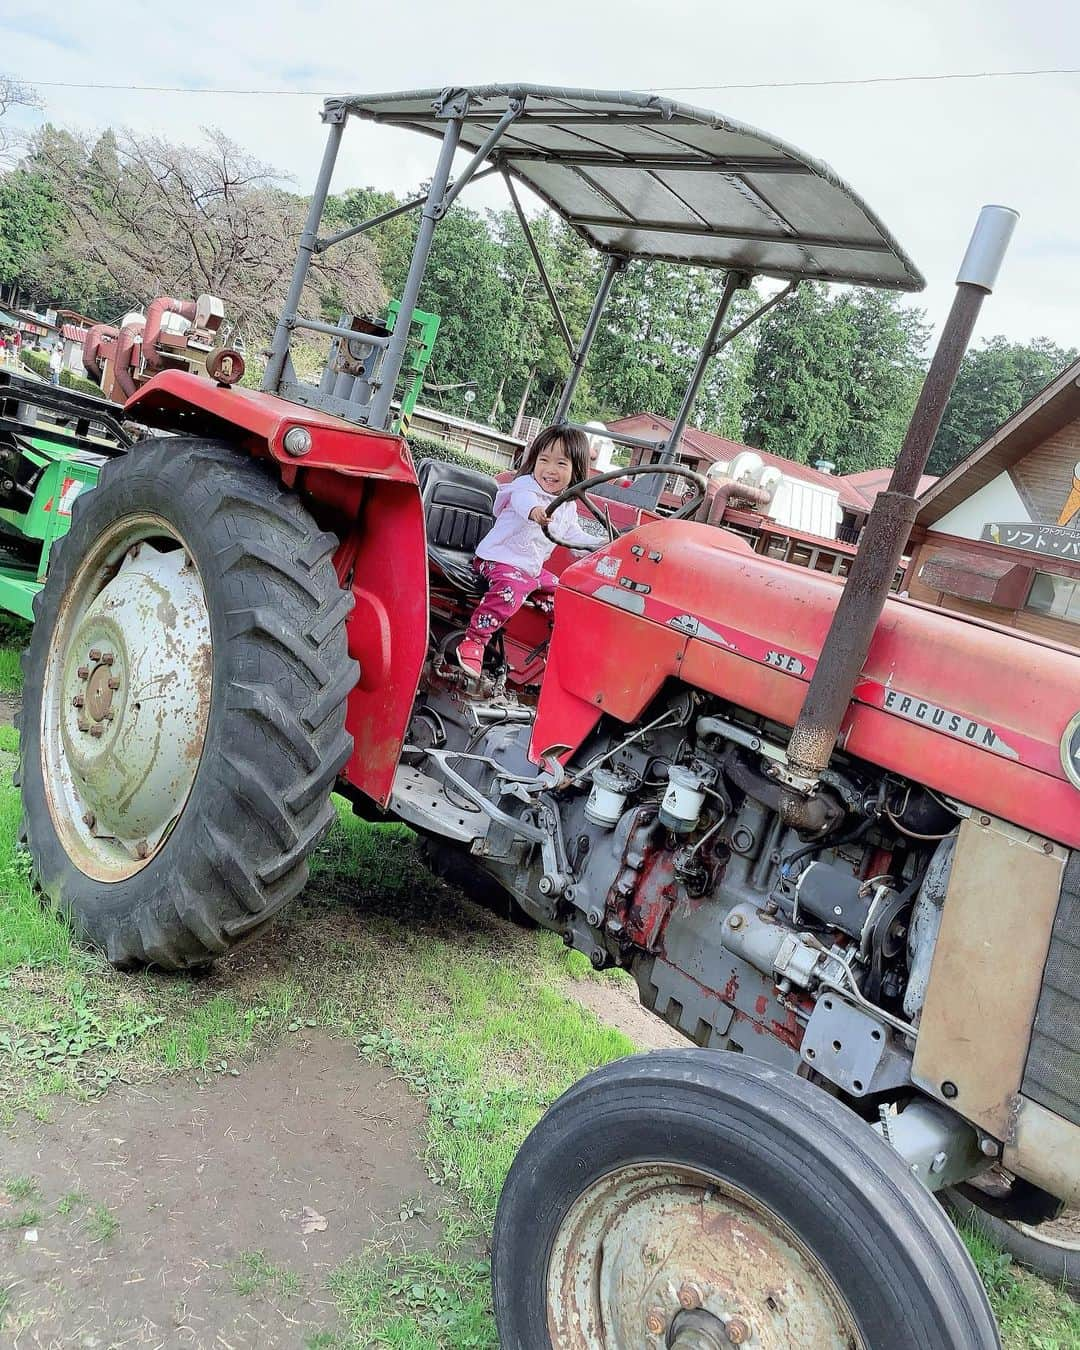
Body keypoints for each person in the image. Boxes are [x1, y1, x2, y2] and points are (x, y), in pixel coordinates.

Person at [457, 425, 597, 679]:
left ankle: (560, 653)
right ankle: (475, 641)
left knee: (565, 590)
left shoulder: (566, 506)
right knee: (512, 587)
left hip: (529, 568)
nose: (550, 470)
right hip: (497, 559)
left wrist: (603, 544)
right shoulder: (524, 488)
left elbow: (574, 536)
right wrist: (534, 512)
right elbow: (523, 504)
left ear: (576, 470)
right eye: (543, 460)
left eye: (561, 464)